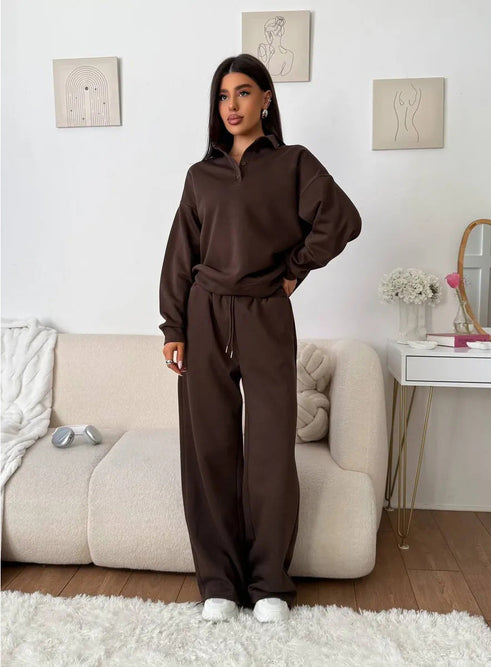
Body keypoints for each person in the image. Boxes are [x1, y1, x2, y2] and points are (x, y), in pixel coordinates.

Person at [158, 53, 362, 623]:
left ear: (267, 98)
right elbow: (180, 254)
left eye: (243, 92)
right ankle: (219, 584)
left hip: (266, 314)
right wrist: (174, 325)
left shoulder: (294, 163)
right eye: (223, 96)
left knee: (270, 450)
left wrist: (294, 269)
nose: (232, 106)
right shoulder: (200, 176)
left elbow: (342, 219)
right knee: (209, 450)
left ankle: (269, 582)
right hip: (204, 314)